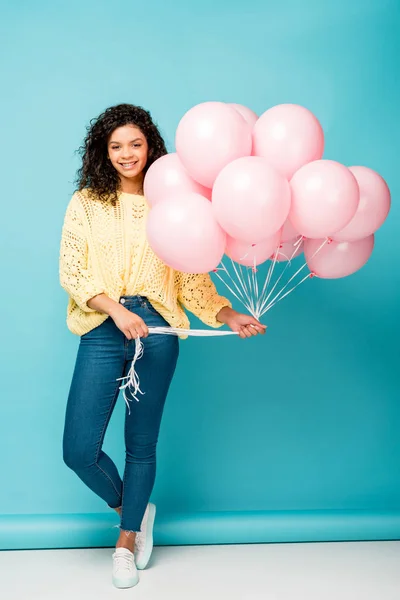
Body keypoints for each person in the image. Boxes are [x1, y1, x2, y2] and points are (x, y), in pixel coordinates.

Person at [59, 103, 266, 589]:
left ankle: (126, 541)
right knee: (78, 450)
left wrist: (230, 314)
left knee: (141, 444)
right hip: (105, 323)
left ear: (150, 145)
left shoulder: (172, 201)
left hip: (159, 331)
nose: (126, 154)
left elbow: (192, 280)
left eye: (135, 143)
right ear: (102, 152)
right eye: (115, 146)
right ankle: (134, 507)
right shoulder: (87, 202)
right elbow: (73, 270)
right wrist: (117, 309)